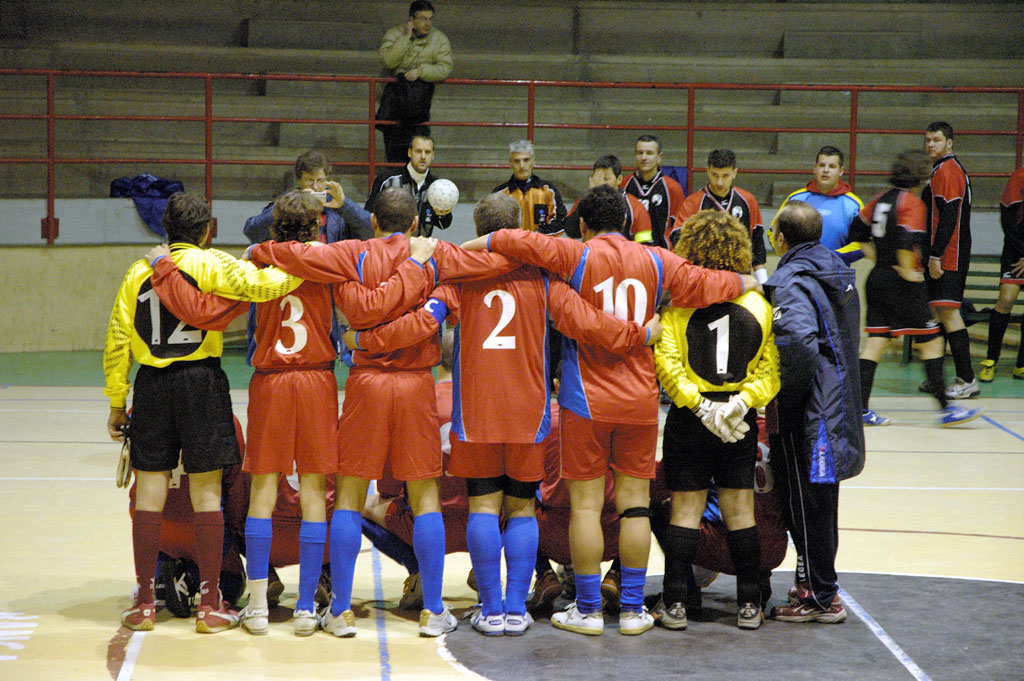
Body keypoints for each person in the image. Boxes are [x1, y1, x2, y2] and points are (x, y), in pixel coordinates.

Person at [348, 192, 660, 637]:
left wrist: (363, 342)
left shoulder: (457, 276)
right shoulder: (544, 276)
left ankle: (490, 610)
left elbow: (422, 321)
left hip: (476, 410)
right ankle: (516, 609)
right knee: (520, 509)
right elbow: (587, 323)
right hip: (529, 411)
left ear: (479, 230)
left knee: (482, 506)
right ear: (516, 230)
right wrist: (640, 333)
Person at [462, 184, 757, 637]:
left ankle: (588, 608)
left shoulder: (575, 255)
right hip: (639, 399)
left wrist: (473, 244)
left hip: (586, 400)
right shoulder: (659, 259)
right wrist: (747, 280)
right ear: (627, 222)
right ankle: (635, 609)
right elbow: (704, 284)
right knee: (634, 507)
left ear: (582, 224)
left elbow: (513, 239)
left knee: (586, 507)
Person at [104, 191, 305, 634]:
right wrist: (306, 261)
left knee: (150, 493)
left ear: (165, 230)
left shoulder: (138, 272)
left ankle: (143, 603)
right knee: (207, 495)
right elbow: (266, 286)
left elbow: (118, 340)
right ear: (208, 229)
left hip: (152, 387)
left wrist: (118, 401)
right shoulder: (213, 265)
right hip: (202, 384)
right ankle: (210, 605)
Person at [652, 210, 780, 631]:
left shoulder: (679, 306)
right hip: (737, 424)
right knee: (740, 512)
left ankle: (674, 606)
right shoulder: (758, 304)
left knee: (684, 511)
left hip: (691, 421)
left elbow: (668, 366)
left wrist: (701, 407)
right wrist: (740, 404)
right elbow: (769, 372)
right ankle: (748, 606)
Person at [762, 200, 864, 624]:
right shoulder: (837, 271)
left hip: (810, 414)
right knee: (822, 502)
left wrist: (785, 400)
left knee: (806, 503)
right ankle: (817, 585)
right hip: (837, 407)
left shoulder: (789, 279)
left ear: (782, 239)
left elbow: (799, 345)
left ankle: (820, 596)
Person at [849, 151, 985, 428]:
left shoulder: (879, 199)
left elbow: (856, 232)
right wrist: (908, 271)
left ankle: (860, 410)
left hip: (876, 278)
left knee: (876, 341)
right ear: (920, 176)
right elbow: (906, 240)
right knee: (932, 339)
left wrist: (880, 260)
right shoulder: (911, 203)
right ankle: (947, 409)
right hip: (901, 282)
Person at [922, 121, 978, 399]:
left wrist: (936, 255)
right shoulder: (939, 170)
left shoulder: (949, 170)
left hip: (949, 255)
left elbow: (948, 217)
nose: (930, 144)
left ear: (949, 142)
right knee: (938, 312)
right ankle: (937, 376)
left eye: (936, 140)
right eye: (928, 140)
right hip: (944, 254)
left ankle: (967, 378)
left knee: (949, 312)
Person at [670, 149, 768, 282]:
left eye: (725, 175)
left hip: (740, 278)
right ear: (707, 171)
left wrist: (763, 283)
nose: (720, 182)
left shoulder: (748, 200)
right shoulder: (692, 203)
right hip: (704, 279)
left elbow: (757, 246)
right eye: (715, 175)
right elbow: (679, 242)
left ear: (735, 173)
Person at [377, 1, 452, 163]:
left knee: (420, 151)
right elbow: (388, 61)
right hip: (395, 103)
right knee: (394, 153)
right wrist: (405, 39)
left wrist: (421, 72)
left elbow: (445, 68)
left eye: (430, 19)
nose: (428, 23)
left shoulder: (439, 39)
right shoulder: (395, 34)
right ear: (411, 19)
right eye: (423, 19)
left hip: (419, 104)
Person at [243, 150, 372, 244]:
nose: (315, 186)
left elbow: (370, 232)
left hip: (329, 269)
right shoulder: (287, 202)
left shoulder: (337, 205)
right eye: (310, 180)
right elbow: (252, 230)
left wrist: (344, 205)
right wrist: (285, 207)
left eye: (320, 180)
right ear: (299, 180)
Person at [774, 145, 863, 259]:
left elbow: (861, 243)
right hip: (797, 270)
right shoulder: (795, 199)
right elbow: (774, 231)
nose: (826, 170)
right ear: (814, 169)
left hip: (835, 273)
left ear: (841, 171)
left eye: (832, 166)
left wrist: (831, 257)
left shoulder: (853, 205)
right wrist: (790, 255)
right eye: (821, 165)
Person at [979, 166, 1024, 381]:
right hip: (1016, 252)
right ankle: (991, 360)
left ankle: (1021, 365)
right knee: (1006, 300)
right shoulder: (1019, 177)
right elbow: (1007, 221)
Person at [365, 133, 453, 237]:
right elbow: (368, 216)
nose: (423, 156)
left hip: (420, 249)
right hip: (389, 248)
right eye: (418, 151)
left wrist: (442, 214)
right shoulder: (387, 180)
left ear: (433, 155)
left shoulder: (437, 187)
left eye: (428, 152)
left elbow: (443, 225)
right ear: (409, 152)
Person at [563, 154, 650, 242]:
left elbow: (645, 243)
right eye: (598, 178)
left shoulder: (635, 207)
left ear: (619, 179)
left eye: (606, 178)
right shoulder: (585, 201)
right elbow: (571, 232)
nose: (601, 183)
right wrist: (588, 196)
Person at [621, 134, 686, 249]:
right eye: (640, 153)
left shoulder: (673, 188)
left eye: (649, 153)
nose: (644, 157)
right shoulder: (624, 185)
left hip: (662, 257)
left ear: (659, 157)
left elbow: (679, 228)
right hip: (630, 257)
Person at [493, 139, 567, 235]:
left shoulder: (548, 191)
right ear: (510, 163)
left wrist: (535, 237)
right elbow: (491, 226)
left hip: (540, 248)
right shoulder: (499, 194)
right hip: (509, 248)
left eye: (526, 160)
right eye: (516, 161)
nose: (522, 165)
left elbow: (561, 221)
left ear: (533, 162)